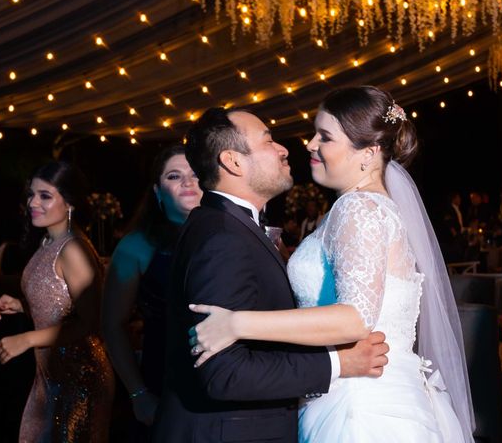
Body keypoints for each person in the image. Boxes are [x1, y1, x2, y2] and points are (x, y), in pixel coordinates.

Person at [189, 87, 475, 442]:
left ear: (368, 154)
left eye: (324, 136)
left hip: (360, 407)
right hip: (363, 393)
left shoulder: (359, 209)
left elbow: (356, 318)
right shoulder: (359, 208)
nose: (309, 144)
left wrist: (237, 323)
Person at [152, 107, 389, 443]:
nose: (283, 149)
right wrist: (338, 364)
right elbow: (224, 373)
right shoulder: (222, 238)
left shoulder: (227, 226)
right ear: (234, 162)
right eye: (268, 141)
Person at [0, 161, 114, 442]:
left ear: (70, 204)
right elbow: (60, 299)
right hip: (51, 376)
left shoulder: (73, 249)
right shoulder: (48, 241)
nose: (33, 202)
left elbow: (89, 321)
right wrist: (22, 304)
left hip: (79, 378)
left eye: (45, 196)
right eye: (32, 194)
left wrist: (26, 339)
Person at [102, 145, 202, 432]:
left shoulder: (230, 236)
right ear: (157, 191)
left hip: (228, 375)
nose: (187, 181)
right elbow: (112, 325)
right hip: (165, 378)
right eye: (174, 176)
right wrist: (138, 393)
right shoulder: (136, 246)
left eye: (195, 173)